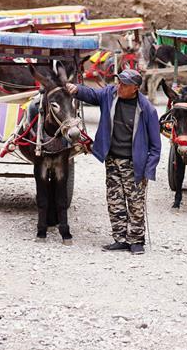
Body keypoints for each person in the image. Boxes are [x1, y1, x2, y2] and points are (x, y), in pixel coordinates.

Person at [65, 69, 160, 255]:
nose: (120, 87)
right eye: (119, 83)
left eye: (124, 85)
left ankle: (136, 240)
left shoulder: (147, 109)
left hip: (134, 164)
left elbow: (156, 146)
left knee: (135, 203)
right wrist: (76, 89)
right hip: (112, 159)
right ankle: (120, 239)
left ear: (135, 88)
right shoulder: (110, 94)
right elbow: (92, 94)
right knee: (114, 200)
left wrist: (148, 171)